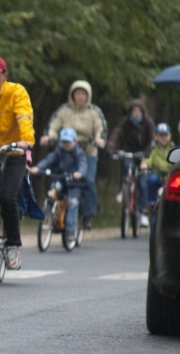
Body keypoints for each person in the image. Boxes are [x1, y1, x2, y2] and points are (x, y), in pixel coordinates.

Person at [0, 55, 34, 270]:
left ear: (5, 75)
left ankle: (13, 245)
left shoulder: (16, 92)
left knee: (8, 196)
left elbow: (24, 118)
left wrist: (26, 141)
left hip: (13, 153)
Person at [40, 80, 107, 231]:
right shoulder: (64, 110)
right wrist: (49, 136)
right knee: (56, 177)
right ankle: (56, 212)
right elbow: (53, 125)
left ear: (88, 96)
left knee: (88, 181)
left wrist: (99, 139)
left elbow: (100, 128)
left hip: (87, 150)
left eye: (84, 94)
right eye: (78, 93)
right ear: (72, 94)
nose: (81, 97)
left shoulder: (94, 112)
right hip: (65, 149)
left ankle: (87, 215)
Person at [29, 127, 87, 247]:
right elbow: (48, 161)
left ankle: (70, 231)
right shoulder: (58, 152)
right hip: (60, 179)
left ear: (75, 142)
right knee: (53, 191)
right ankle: (51, 213)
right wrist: (38, 168)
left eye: (68, 142)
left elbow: (82, 164)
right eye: (64, 142)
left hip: (74, 183)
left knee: (72, 203)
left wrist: (79, 173)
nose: (66, 144)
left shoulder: (79, 153)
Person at [107, 98, 155, 227]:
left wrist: (149, 151)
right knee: (126, 166)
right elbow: (116, 134)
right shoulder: (125, 122)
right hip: (129, 151)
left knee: (143, 182)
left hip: (144, 153)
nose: (136, 113)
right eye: (134, 111)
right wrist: (111, 146)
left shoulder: (148, 123)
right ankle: (124, 190)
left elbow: (152, 139)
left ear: (143, 112)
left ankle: (143, 212)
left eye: (139, 111)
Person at [139, 122, 175, 212]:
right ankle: (152, 203)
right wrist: (145, 164)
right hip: (158, 175)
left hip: (170, 176)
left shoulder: (172, 148)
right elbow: (148, 159)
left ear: (169, 136)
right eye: (161, 135)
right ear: (155, 136)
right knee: (152, 180)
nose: (163, 138)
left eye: (165, 135)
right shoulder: (152, 149)